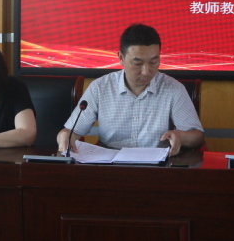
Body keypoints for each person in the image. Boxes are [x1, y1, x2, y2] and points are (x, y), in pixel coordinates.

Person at [57, 24, 204, 153]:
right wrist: (65, 135)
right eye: (138, 63)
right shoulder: (100, 87)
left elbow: (197, 137)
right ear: (121, 58)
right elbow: (72, 131)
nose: (146, 71)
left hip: (158, 166)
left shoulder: (174, 89)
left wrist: (180, 136)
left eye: (153, 62)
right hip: (110, 165)